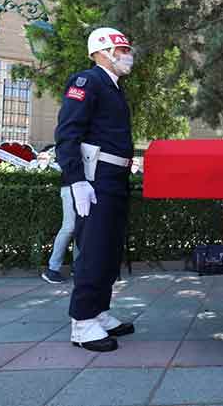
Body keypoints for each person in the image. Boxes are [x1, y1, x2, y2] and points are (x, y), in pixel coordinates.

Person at [55, 27, 136, 352]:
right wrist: (76, 180)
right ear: (103, 51)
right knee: (94, 249)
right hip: (95, 177)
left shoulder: (113, 87)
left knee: (110, 248)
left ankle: (99, 311)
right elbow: (67, 133)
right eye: (123, 49)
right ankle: (83, 321)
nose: (128, 55)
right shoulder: (87, 81)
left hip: (114, 177)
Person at [41, 184, 79, 284]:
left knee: (81, 228)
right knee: (69, 227)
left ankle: (78, 266)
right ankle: (52, 269)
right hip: (71, 187)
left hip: (83, 187)